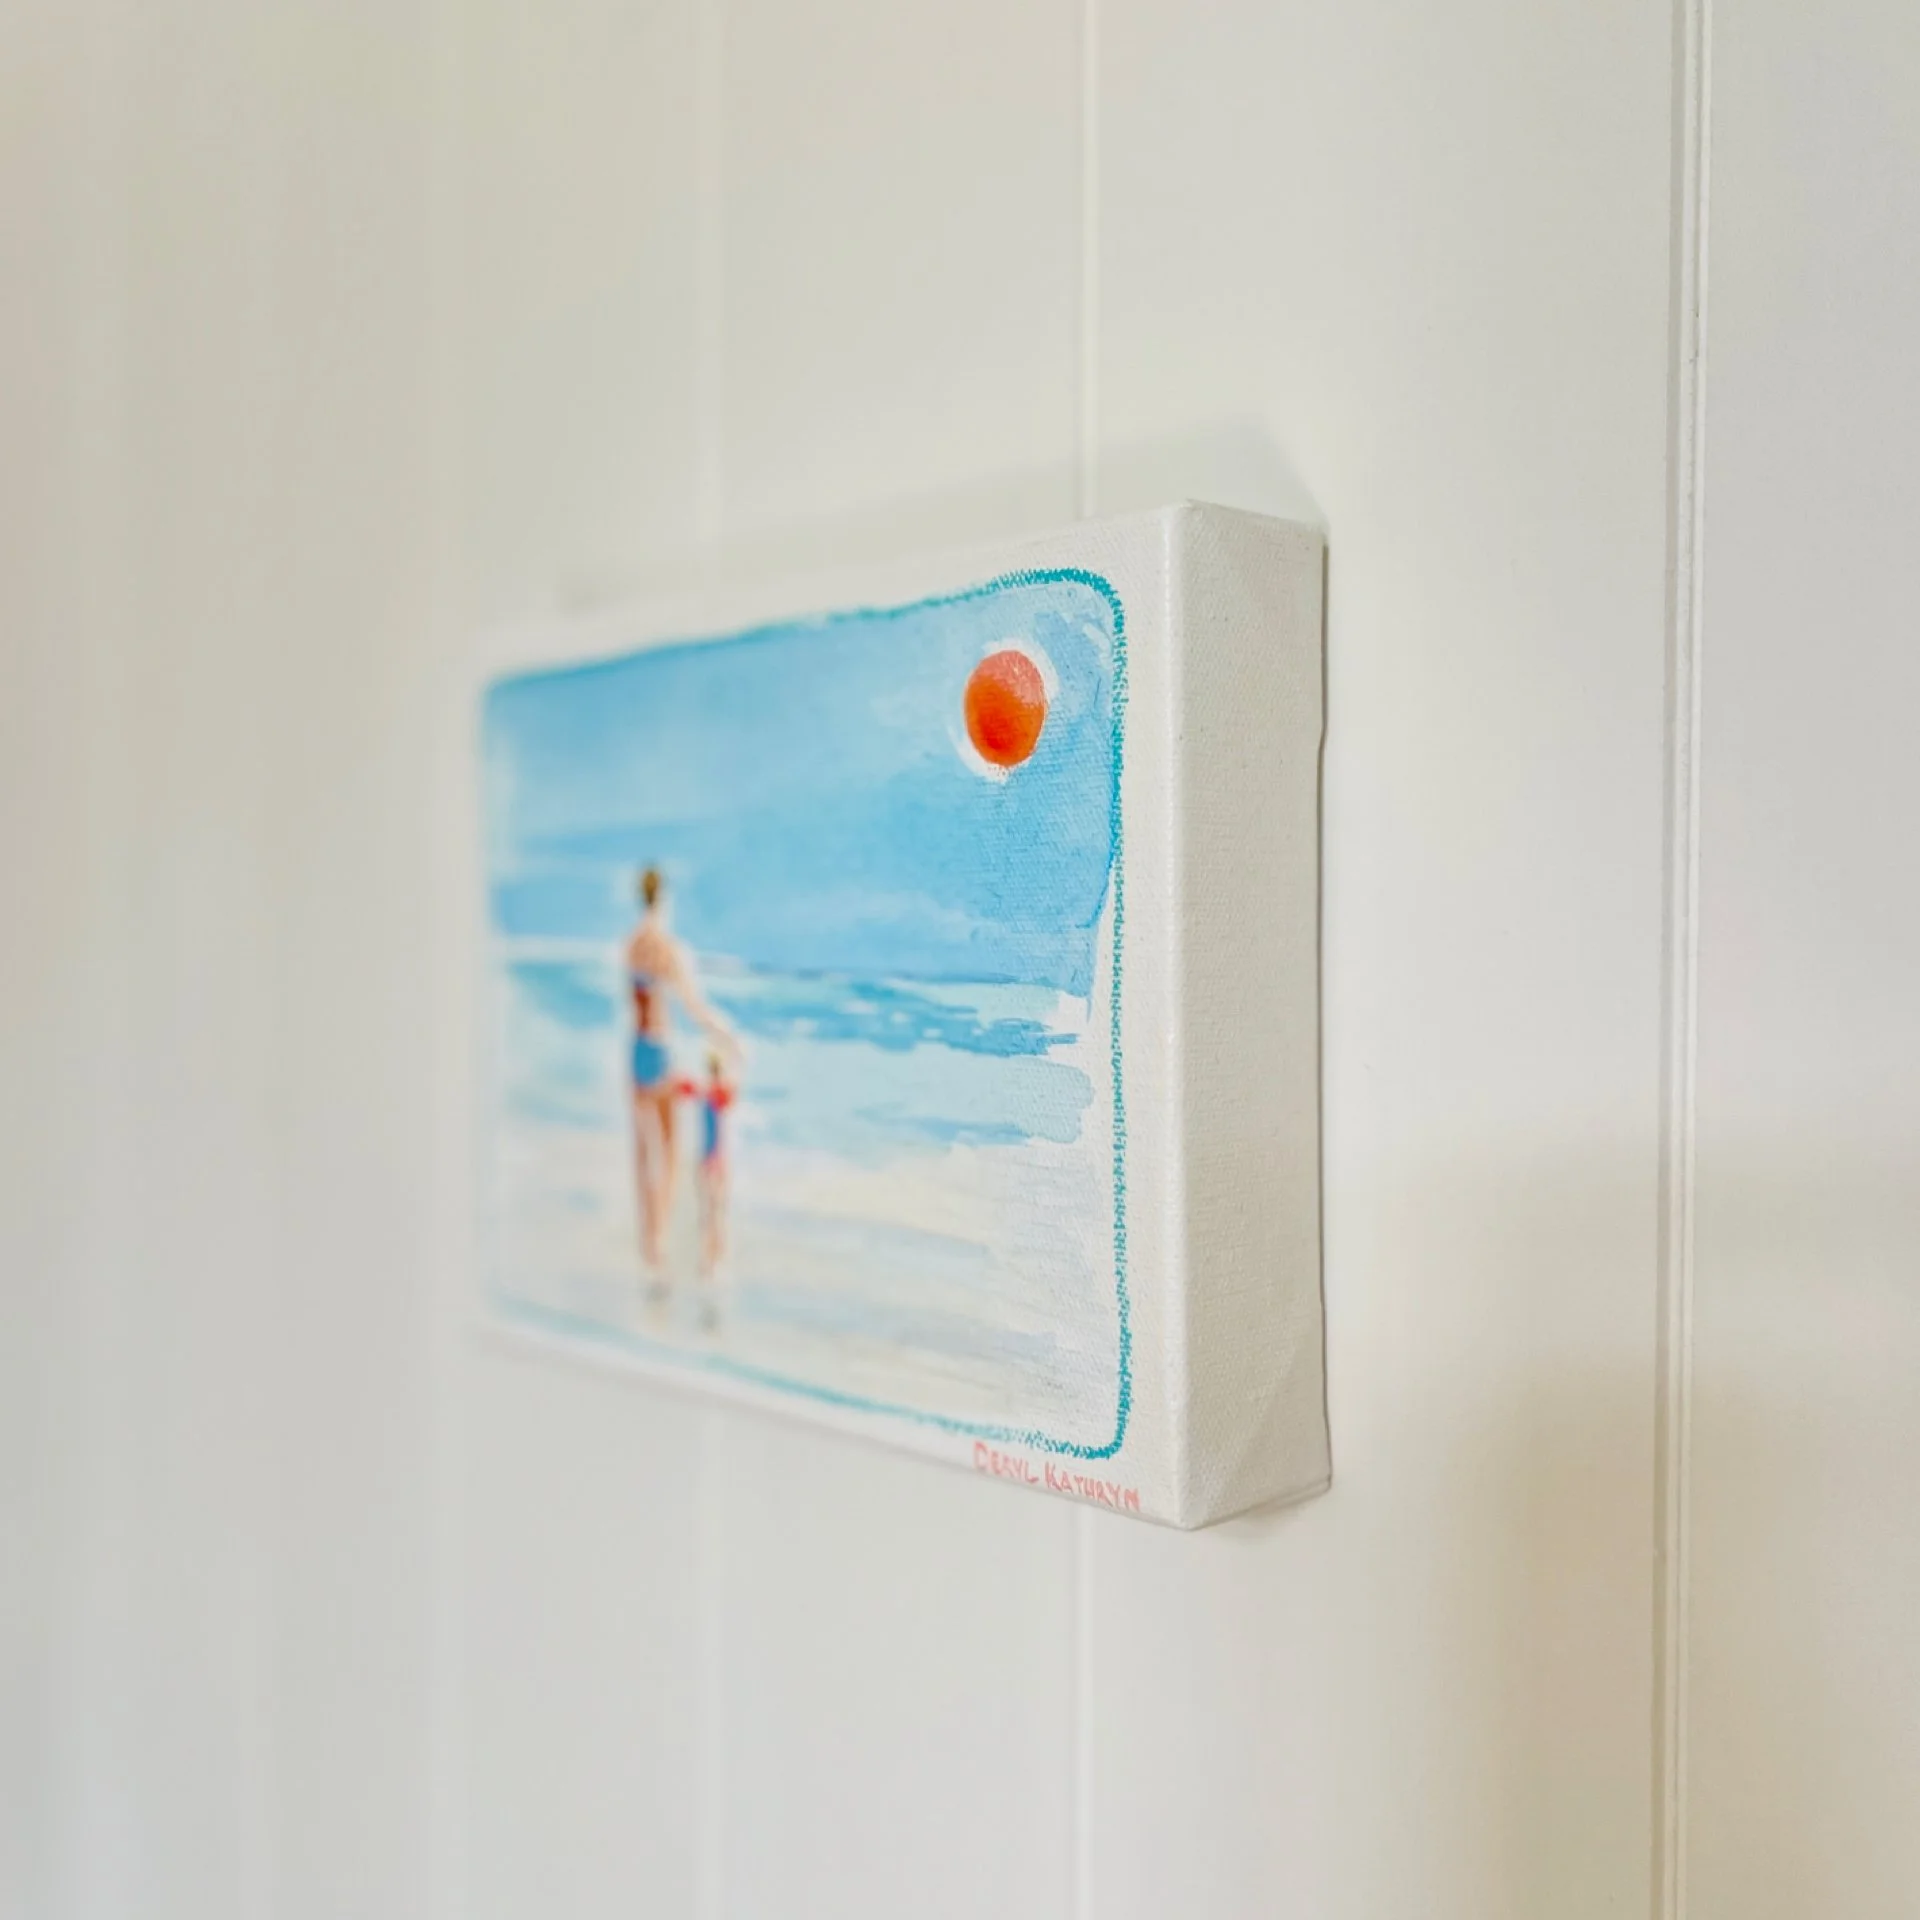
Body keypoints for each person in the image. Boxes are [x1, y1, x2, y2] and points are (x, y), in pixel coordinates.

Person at [626, 866, 734, 1271]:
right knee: (668, 1155)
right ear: (664, 899)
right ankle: (661, 1242)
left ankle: (648, 1242)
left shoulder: (632, 946)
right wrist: (726, 1036)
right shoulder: (668, 949)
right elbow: (693, 1007)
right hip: (660, 1048)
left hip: (636, 1050)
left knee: (643, 1154)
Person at [696, 1050, 736, 1281]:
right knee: (713, 1209)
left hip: (714, 1157)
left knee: (713, 1209)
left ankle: (714, 1259)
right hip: (713, 1158)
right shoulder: (713, 1094)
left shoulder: (714, 1094)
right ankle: (712, 1259)